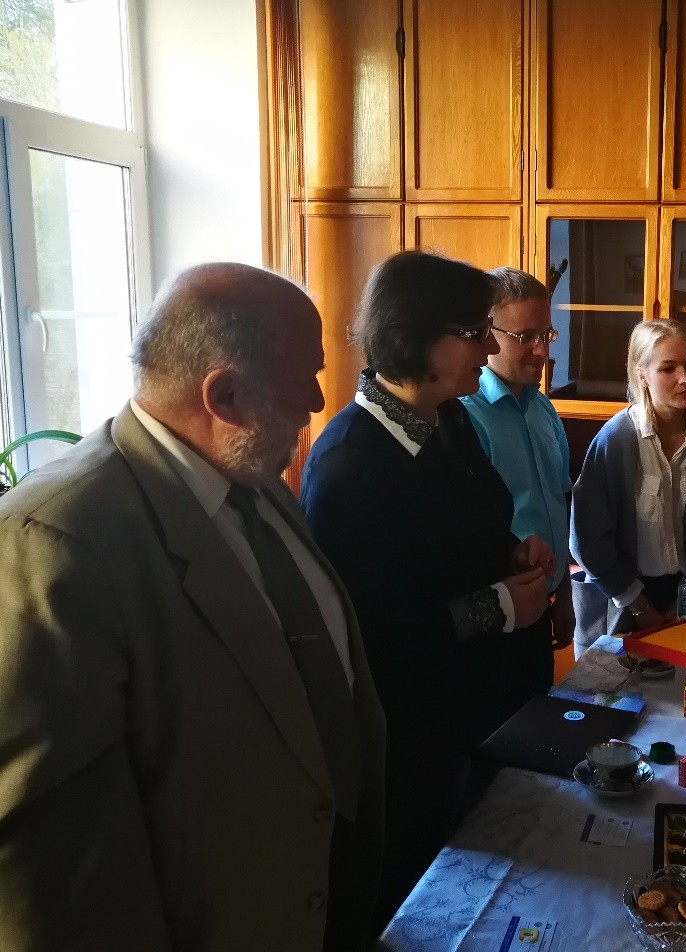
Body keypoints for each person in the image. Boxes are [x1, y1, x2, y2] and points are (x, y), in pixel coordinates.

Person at [0, 263, 386, 952]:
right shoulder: (56, 540)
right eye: (304, 377)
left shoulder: (253, 477)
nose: (318, 399)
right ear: (226, 395)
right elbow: (52, 869)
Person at [299, 251, 552, 930]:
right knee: (427, 910)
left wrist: (512, 552)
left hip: (478, 711)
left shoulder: (450, 420)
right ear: (413, 336)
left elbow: (463, 533)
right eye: (474, 332)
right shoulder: (349, 464)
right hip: (414, 744)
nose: (490, 348)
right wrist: (501, 605)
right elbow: (368, 634)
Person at [571, 318, 686, 656]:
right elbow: (588, 538)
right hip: (622, 596)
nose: (685, 378)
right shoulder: (614, 440)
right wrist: (640, 606)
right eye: (668, 368)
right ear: (642, 375)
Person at [460, 267, 574, 654]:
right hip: (496, 611)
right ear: (486, 333)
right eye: (526, 337)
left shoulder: (544, 409)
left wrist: (565, 594)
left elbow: (560, 502)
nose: (542, 350)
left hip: (546, 601)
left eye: (546, 335)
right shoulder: (463, 417)